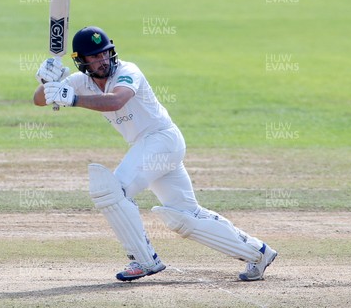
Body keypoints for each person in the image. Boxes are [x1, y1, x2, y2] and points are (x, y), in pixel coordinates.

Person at [33, 26, 277, 282]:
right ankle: (259, 253)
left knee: (114, 191)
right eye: (94, 57)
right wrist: (47, 82)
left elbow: (116, 101)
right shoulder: (79, 82)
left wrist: (72, 100)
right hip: (151, 146)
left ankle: (144, 260)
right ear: (82, 61)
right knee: (185, 217)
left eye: (105, 53)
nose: (102, 60)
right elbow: (39, 100)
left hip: (161, 139)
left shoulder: (128, 71)